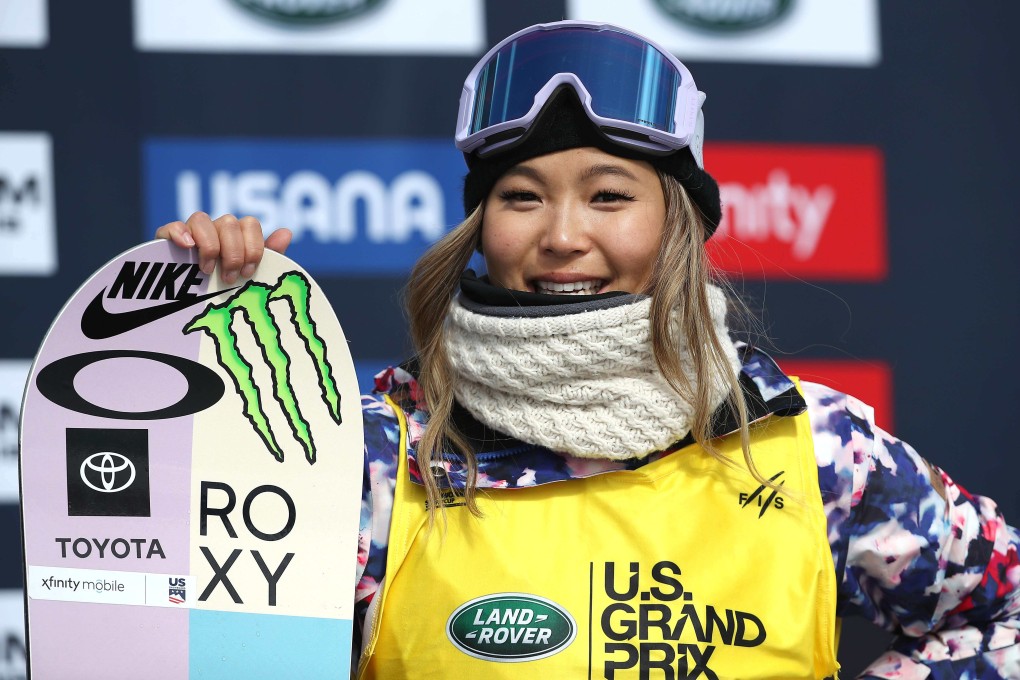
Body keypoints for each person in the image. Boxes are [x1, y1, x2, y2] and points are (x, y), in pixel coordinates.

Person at [157, 20, 1020, 679]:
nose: (563, 235)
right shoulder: (373, 451)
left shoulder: (814, 447)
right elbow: (189, 640)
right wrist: (190, 325)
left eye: (609, 195)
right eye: (522, 196)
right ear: (480, 225)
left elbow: (1000, 613)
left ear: (677, 223)